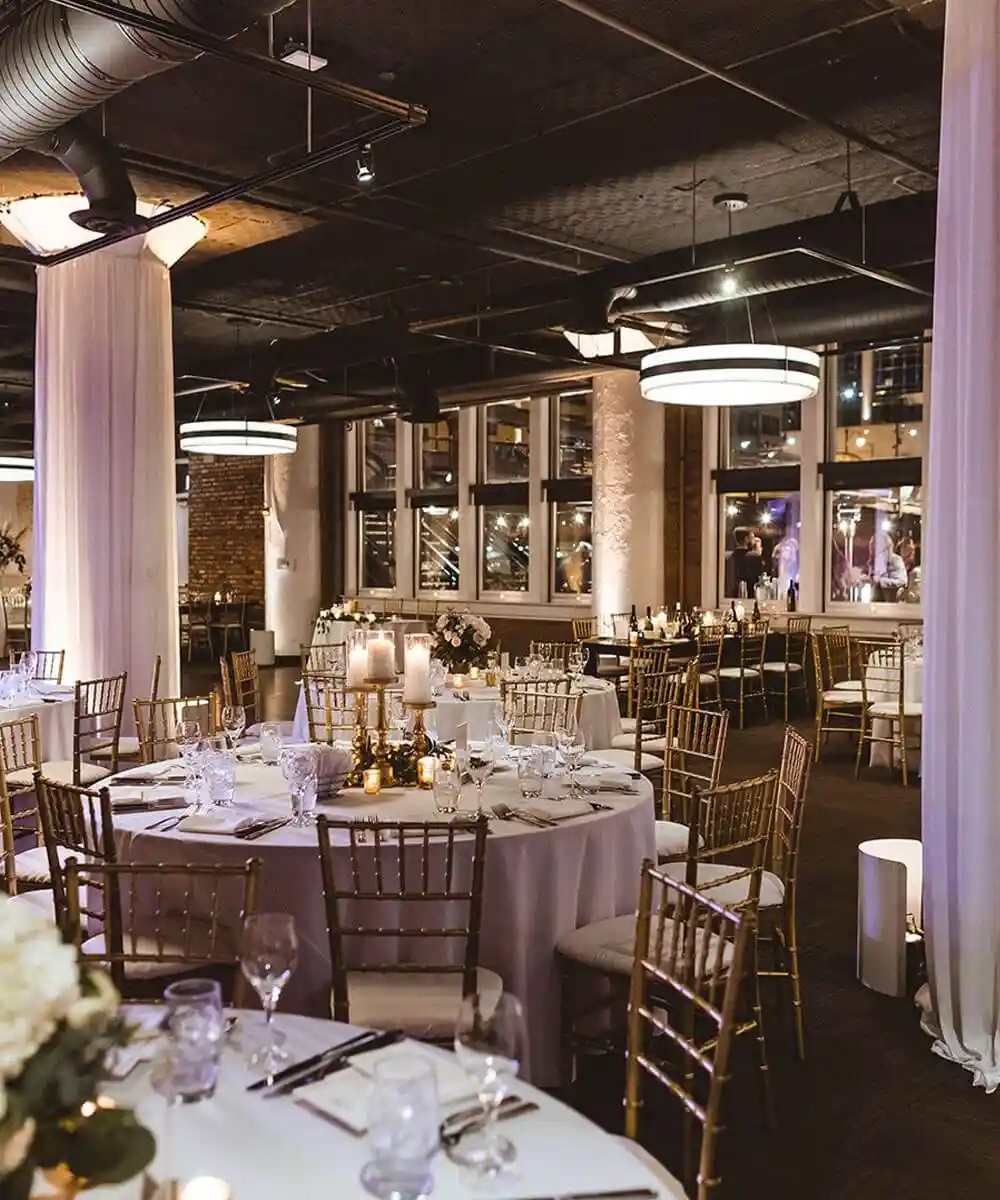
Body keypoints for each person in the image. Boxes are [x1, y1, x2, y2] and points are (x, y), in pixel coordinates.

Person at [868, 532, 908, 601]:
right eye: (872, 547)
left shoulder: (896, 560)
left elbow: (901, 581)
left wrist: (880, 581)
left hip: (891, 602)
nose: (872, 551)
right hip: (876, 602)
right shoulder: (875, 562)